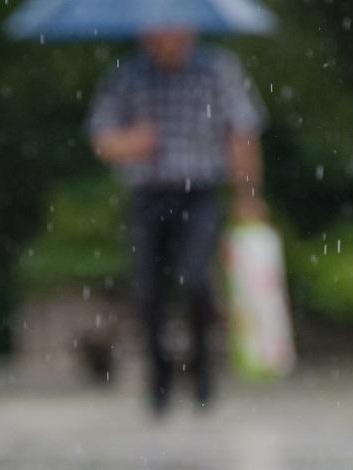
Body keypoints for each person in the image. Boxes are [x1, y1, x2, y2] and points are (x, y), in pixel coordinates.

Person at [88, 28, 268, 414]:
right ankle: (160, 379)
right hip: (148, 195)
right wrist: (128, 143)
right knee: (148, 292)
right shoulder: (127, 76)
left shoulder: (218, 70)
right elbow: (102, 138)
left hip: (200, 193)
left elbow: (242, 132)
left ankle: (203, 368)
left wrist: (248, 194)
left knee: (196, 280)